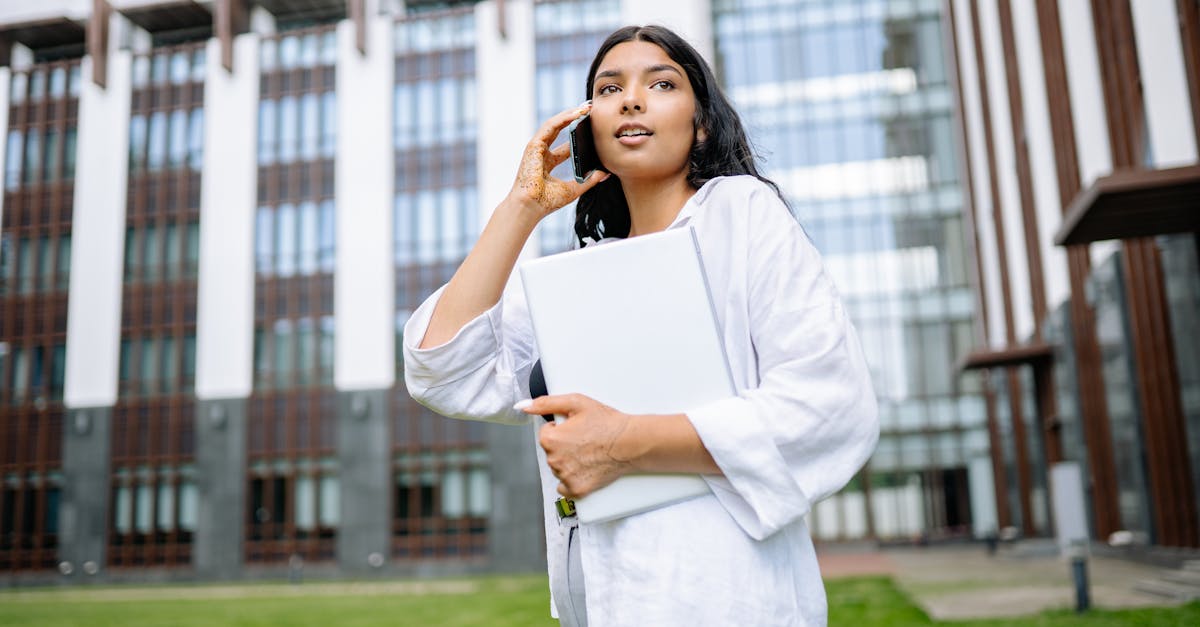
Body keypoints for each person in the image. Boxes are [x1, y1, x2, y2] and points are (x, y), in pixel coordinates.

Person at [404, 24, 878, 627]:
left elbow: (831, 404)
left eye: (661, 83)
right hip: (605, 601)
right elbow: (441, 370)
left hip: (731, 594)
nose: (630, 99)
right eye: (608, 88)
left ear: (700, 122)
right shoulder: (576, 279)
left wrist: (622, 443)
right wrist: (520, 207)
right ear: (591, 129)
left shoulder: (741, 215)